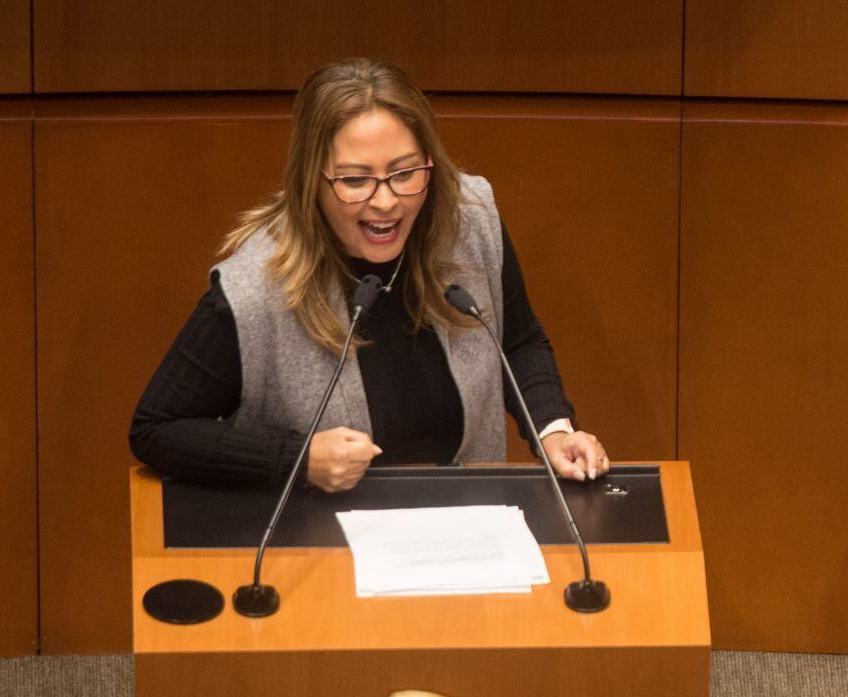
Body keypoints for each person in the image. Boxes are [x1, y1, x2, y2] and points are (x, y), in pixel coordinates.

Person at [132, 57, 608, 491]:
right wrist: (295, 460)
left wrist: (553, 428)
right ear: (311, 180)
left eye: (404, 173)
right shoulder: (256, 289)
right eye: (355, 180)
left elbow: (517, 340)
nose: (385, 202)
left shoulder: (469, 220)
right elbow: (157, 428)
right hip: (319, 551)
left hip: (466, 531)